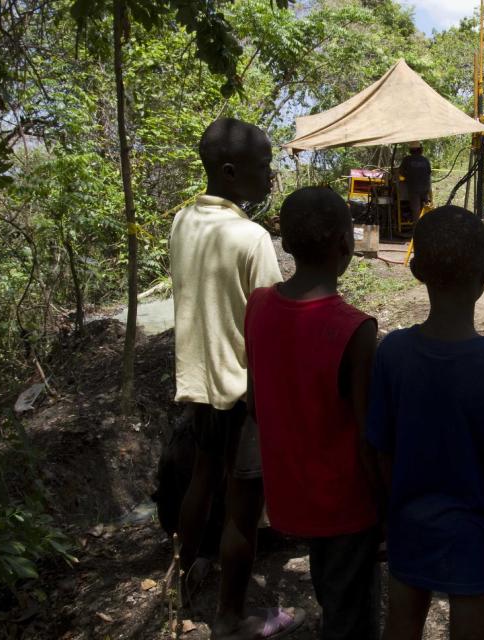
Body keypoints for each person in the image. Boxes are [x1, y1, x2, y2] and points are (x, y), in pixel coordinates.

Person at [366, 206, 484, 640]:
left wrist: (392, 514)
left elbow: (381, 450)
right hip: (479, 543)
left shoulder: (392, 354)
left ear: (415, 269)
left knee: (400, 629)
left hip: (410, 528)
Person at [171, 118, 303, 638]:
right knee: (243, 508)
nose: (270, 177)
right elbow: (270, 324)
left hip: (198, 383)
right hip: (243, 392)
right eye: (264, 166)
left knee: (202, 480)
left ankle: (183, 576)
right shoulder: (251, 238)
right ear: (230, 172)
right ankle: (231, 617)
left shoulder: (184, 222)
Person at [244, 187, 382, 640]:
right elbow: (368, 437)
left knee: (332, 584)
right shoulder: (355, 329)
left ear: (285, 243)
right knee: (350, 611)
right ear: (346, 245)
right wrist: (387, 505)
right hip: (345, 503)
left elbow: (254, 402)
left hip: (289, 493)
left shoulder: (258, 306)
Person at [399, 141, 432, 216]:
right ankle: (427, 224)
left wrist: (406, 177)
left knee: (416, 211)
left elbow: (401, 173)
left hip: (414, 188)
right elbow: (429, 173)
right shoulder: (425, 160)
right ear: (420, 149)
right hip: (425, 188)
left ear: (411, 150)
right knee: (426, 209)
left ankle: (416, 226)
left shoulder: (407, 159)